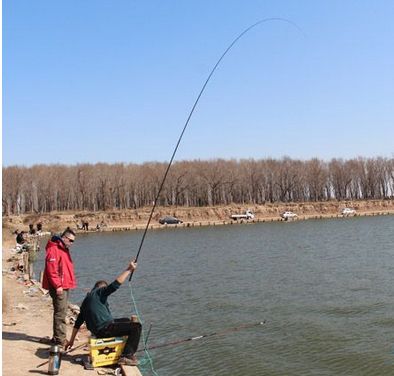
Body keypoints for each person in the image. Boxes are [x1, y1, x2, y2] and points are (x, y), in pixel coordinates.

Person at [65, 260, 142, 366]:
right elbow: (114, 285)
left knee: (127, 321)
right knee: (136, 327)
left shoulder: (86, 301)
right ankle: (126, 356)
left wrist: (71, 341)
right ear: (101, 288)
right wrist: (129, 269)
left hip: (99, 331)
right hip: (105, 329)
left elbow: (77, 324)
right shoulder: (99, 292)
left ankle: (124, 348)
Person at [42, 228, 77, 347]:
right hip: (59, 286)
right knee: (60, 313)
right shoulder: (54, 249)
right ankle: (60, 340)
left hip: (64, 285)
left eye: (73, 242)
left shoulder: (63, 249)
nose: (72, 244)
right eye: (71, 241)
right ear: (65, 238)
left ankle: (57, 337)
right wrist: (58, 285)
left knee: (61, 311)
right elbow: (52, 271)